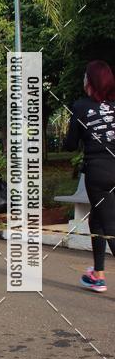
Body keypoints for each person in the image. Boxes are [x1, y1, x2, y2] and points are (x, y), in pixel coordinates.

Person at [64, 60, 115, 292]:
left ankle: (98, 274)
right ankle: (98, 274)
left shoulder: (81, 106)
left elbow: (70, 144)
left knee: (110, 225)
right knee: (98, 219)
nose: (83, 79)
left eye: (85, 76)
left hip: (100, 174)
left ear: (91, 81)